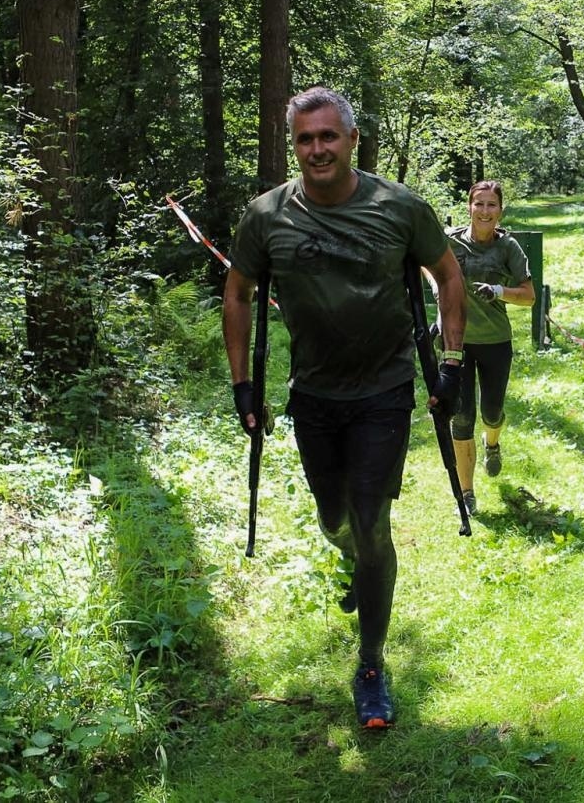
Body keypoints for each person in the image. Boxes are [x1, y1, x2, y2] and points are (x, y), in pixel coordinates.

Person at [222, 86, 467, 730]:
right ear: (293, 146)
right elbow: (239, 292)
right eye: (305, 139)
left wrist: (452, 362)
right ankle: (356, 559)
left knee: (371, 520)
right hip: (314, 396)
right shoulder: (266, 216)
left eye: (328, 136)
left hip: (384, 393)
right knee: (335, 519)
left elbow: (447, 275)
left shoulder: (399, 208)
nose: (317, 149)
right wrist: (242, 384)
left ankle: (370, 666)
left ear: (352, 140)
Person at [444, 180, 535, 514]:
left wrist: (499, 291)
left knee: (491, 413)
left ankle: (492, 443)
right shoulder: (450, 242)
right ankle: (466, 493)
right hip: (457, 342)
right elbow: (426, 265)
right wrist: (441, 289)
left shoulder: (508, 247)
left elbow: (529, 297)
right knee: (461, 416)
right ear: (469, 206)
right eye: (478, 204)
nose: (484, 211)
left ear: (500, 210)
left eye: (491, 205)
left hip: (496, 341)